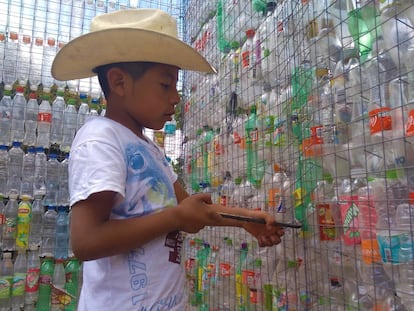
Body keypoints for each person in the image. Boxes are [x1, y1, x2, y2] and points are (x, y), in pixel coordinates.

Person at [51, 8, 285, 310]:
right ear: (119, 82)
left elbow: (191, 209)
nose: (175, 97)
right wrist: (175, 218)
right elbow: (86, 241)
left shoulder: (148, 149)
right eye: (166, 85)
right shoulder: (100, 139)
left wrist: (245, 220)